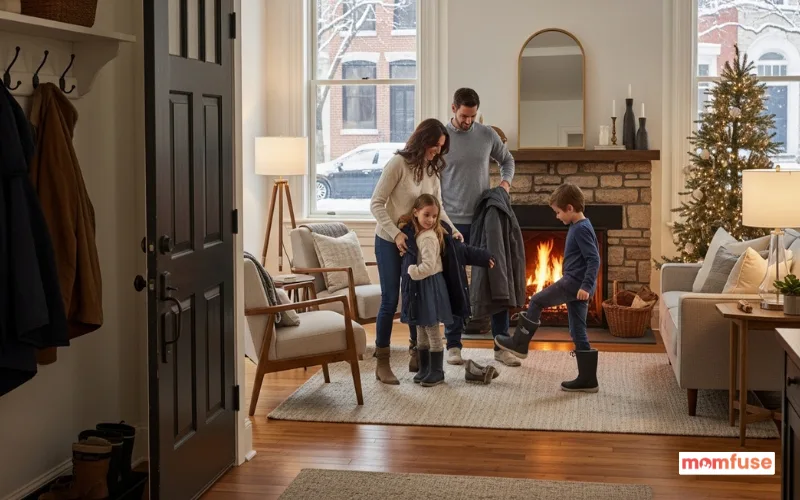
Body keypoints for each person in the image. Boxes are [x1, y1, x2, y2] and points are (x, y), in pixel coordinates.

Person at [370, 118, 462, 385]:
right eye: (435, 145)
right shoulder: (398, 164)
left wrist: (452, 230)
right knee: (390, 300)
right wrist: (395, 233)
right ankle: (383, 362)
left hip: (415, 240)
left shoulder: (432, 169)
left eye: (441, 147)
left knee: (416, 294)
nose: (437, 151)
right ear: (423, 141)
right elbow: (376, 204)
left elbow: (438, 207)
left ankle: (416, 352)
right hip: (389, 238)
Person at [494, 183, 601, 393]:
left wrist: (587, 286)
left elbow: (594, 259)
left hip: (574, 284)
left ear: (570, 208)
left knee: (536, 300)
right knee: (577, 330)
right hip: (577, 286)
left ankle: (519, 343)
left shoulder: (580, 229)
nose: (557, 216)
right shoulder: (579, 226)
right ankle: (588, 380)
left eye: (558, 212)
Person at [440, 87, 517, 367]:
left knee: (495, 280)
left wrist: (505, 184)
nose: (467, 121)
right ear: (453, 108)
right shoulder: (442, 138)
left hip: (483, 221)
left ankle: (500, 345)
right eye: (463, 116)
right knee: (455, 284)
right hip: (450, 223)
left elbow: (507, 160)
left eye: (472, 116)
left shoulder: (486, 135)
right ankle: (453, 345)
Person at [398, 194, 495, 386]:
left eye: (434, 216)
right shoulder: (413, 233)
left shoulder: (429, 237)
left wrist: (411, 271)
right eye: (427, 215)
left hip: (429, 286)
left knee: (431, 328)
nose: (431, 220)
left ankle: (437, 371)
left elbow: (430, 265)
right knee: (420, 329)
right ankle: (425, 369)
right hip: (419, 288)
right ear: (415, 213)